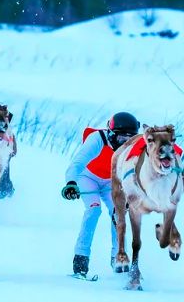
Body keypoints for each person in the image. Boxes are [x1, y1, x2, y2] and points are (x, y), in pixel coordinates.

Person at [61, 112, 140, 277]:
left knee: (118, 216)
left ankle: (118, 260)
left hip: (110, 182)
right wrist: (71, 183)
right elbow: (77, 163)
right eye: (121, 139)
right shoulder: (98, 139)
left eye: (129, 140)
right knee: (94, 210)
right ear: (111, 134)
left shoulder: (133, 148)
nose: (124, 144)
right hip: (87, 177)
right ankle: (80, 261)